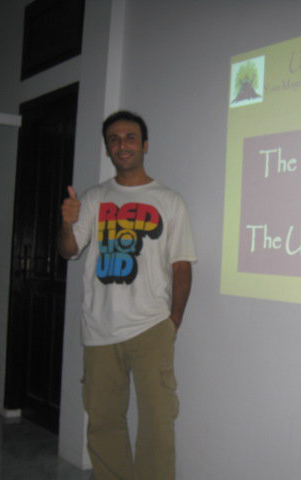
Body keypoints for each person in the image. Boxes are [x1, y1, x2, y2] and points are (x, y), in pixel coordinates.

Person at [59, 110, 196, 480]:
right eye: (114, 139)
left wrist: (173, 322)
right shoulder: (94, 197)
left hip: (151, 326)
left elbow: (181, 265)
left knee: (157, 422)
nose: (122, 145)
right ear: (108, 148)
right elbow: (69, 251)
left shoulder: (169, 200)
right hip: (99, 328)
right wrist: (67, 224)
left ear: (145, 145)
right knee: (103, 422)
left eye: (130, 137)